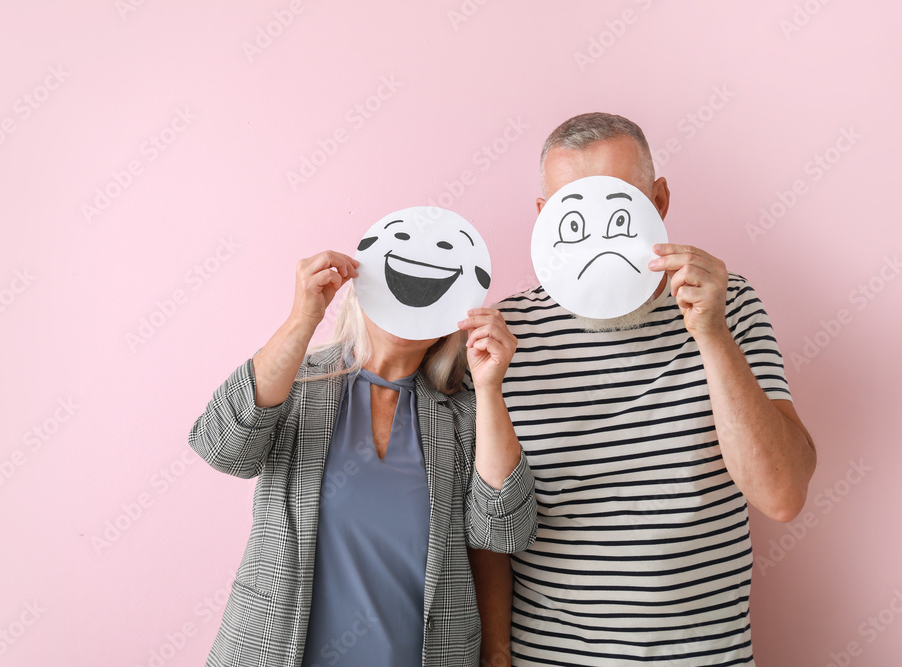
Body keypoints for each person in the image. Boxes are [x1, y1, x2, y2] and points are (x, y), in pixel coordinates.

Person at [468, 112, 817, 666]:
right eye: (574, 208)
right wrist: (497, 653)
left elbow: (782, 495)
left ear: (659, 200)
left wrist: (712, 334)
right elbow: (488, 527)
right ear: (544, 218)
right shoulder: (502, 338)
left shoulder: (730, 306)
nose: (602, 229)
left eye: (621, 202)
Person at [188, 249, 538, 667]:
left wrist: (488, 388)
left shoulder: (463, 416)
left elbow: (502, 535)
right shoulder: (297, 384)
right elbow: (220, 447)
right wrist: (303, 319)